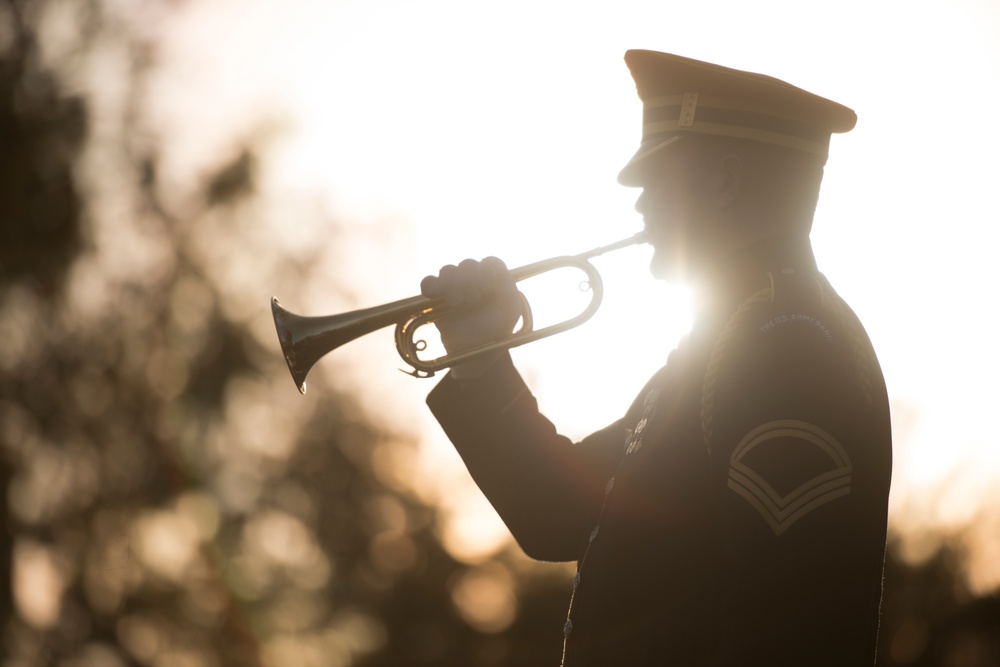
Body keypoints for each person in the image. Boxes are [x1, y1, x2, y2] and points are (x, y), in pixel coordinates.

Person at [421, 50, 892, 666]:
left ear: (725, 180)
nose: (640, 203)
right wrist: (480, 358)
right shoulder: (726, 344)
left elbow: (785, 631)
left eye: (657, 176)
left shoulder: (785, 347)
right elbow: (558, 515)